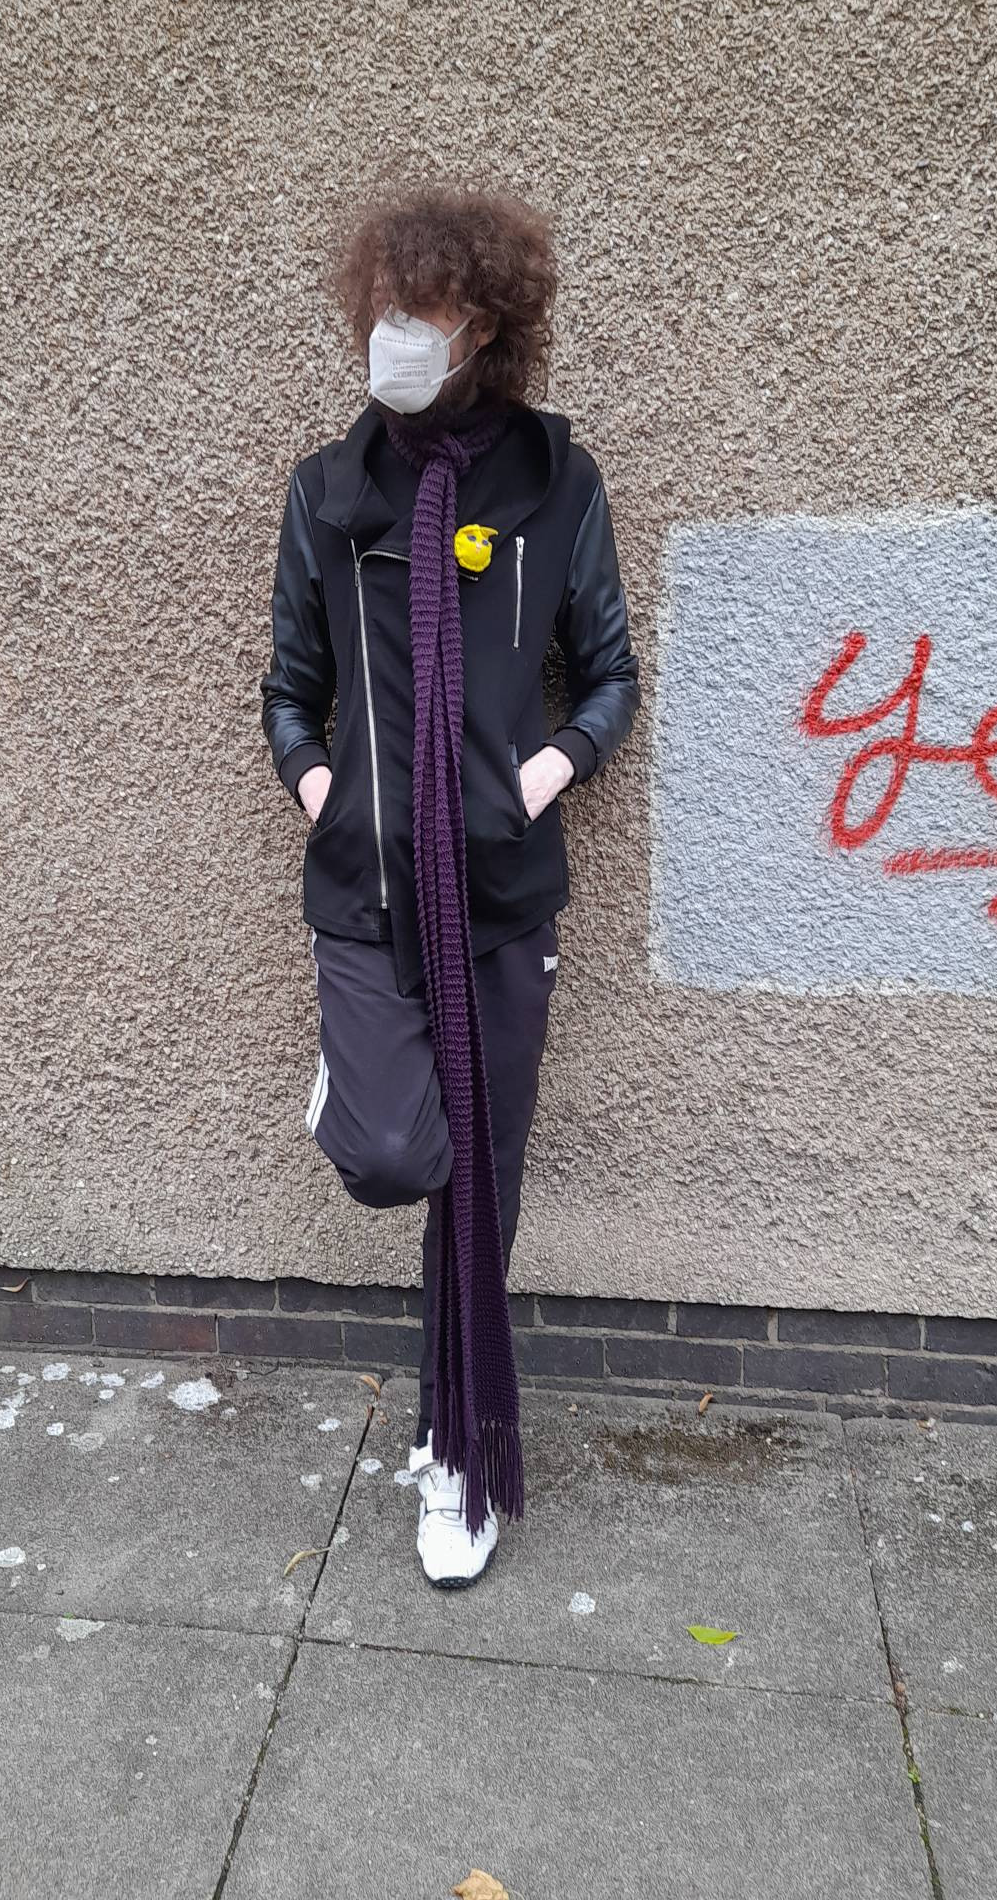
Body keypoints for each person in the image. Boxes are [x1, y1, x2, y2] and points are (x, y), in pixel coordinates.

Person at [260, 186, 640, 1588]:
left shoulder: (555, 484)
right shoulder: (330, 491)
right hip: (364, 889)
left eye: (424, 317)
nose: (395, 339)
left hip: (499, 898)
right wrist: (327, 789)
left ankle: (457, 1458)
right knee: (393, 1157)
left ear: (487, 324)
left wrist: (539, 778)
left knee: (481, 1189)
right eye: (382, 313)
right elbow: (288, 692)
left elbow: (609, 678)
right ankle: (363, 1091)